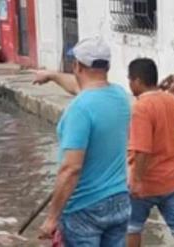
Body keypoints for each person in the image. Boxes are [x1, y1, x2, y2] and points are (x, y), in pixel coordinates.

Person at [33, 37, 131, 247]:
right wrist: (51, 76)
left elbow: (71, 168)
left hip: (84, 209)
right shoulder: (120, 96)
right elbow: (81, 87)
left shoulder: (79, 109)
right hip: (119, 201)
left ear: (77, 66)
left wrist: (52, 218)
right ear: (108, 66)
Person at [127, 58, 174, 247]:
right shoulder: (172, 101)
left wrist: (137, 181)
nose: (129, 84)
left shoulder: (140, 108)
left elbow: (142, 151)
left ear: (138, 81)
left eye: (130, 80)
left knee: (132, 226)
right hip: (173, 180)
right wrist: (171, 92)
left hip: (148, 182)